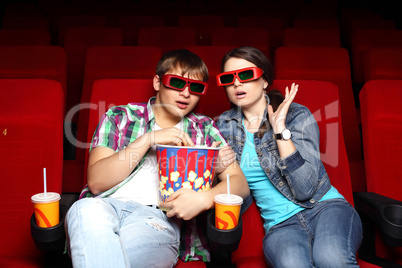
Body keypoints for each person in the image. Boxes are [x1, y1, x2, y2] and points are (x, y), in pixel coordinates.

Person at [65, 49, 249, 268]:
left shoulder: (204, 130)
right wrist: (149, 139)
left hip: (156, 221)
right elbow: (96, 182)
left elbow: (239, 184)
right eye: (177, 83)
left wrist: (203, 199)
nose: (186, 93)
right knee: (83, 209)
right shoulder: (120, 117)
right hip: (103, 209)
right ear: (157, 82)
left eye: (196, 87)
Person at [215, 46, 363, 267]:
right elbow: (233, 199)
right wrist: (216, 171)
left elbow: (305, 190)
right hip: (280, 226)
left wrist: (280, 132)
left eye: (245, 75)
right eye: (228, 78)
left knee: (331, 258)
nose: (236, 83)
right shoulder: (221, 127)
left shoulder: (297, 115)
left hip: (325, 209)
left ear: (264, 80)